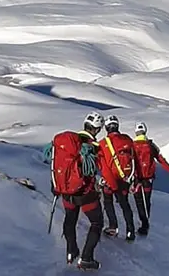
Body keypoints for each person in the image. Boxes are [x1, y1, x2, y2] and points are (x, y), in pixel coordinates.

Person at [46, 111, 119, 270]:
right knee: (96, 222)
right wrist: (114, 187)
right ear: (98, 129)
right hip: (85, 194)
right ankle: (86, 258)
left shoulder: (70, 144)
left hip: (66, 192)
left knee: (70, 219)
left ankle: (71, 250)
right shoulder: (93, 147)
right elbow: (105, 171)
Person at [131, 121, 169, 236]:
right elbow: (160, 159)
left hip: (136, 179)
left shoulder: (132, 146)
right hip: (148, 179)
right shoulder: (151, 146)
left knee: (138, 201)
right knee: (146, 201)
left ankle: (142, 221)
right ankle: (145, 224)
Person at [97, 115, 137, 242]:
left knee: (108, 202)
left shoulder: (103, 143)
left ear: (107, 128)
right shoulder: (127, 140)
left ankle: (113, 227)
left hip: (110, 180)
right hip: (125, 179)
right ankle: (130, 231)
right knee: (125, 204)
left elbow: (103, 165)